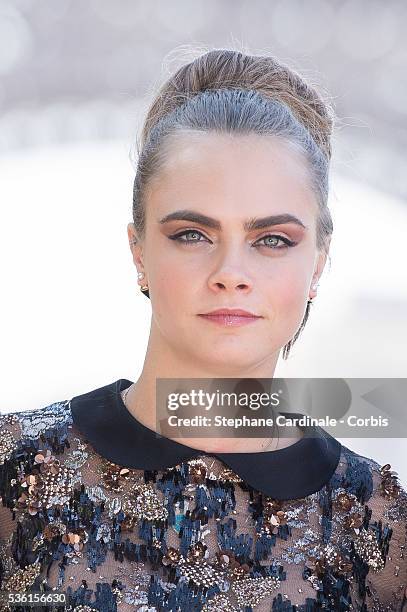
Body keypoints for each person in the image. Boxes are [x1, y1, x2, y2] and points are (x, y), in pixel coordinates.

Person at [0, 48, 406, 612]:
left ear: (318, 263)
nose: (231, 275)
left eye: (272, 240)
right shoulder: (14, 472)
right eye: (193, 234)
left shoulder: (380, 530)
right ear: (138, 250)